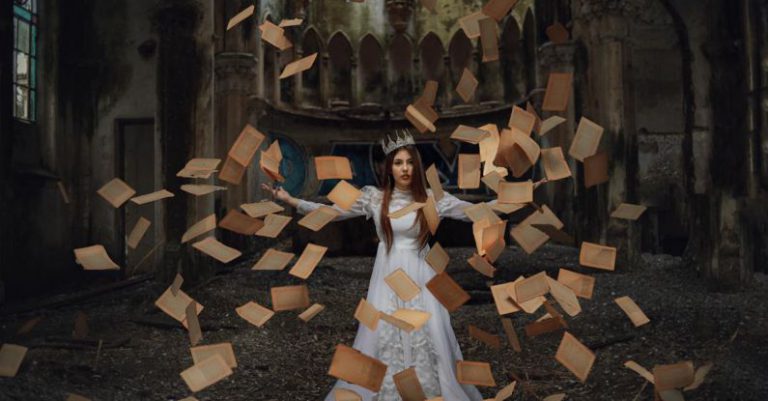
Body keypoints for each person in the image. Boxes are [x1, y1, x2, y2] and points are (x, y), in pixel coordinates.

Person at [262, 130, 546, 401]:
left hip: (422, 274)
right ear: (389, 167)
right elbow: (330, 212)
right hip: (387, 275)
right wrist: (290, 200)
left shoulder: (432, 199)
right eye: (398, 163)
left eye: (410, 162)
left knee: (429, 333)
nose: (405, 168)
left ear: (417, 166)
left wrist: (522, 193)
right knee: (383, 334)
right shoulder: (374, 197)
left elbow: (477, 211)